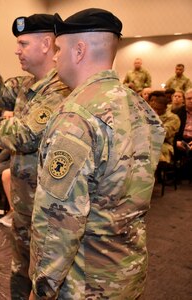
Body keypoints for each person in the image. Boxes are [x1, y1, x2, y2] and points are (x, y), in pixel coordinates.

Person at [29, 8, 165, 299]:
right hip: (126, 272)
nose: (54, 57)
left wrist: (42, 288)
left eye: (58, 48)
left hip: (84, 283)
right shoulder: (138, 106)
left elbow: (59, 221)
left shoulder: (75, 117)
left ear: (78, 51)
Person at [0, 14, 70, 299]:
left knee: (44, 276)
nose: (17, 50)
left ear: (47, 44)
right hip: (25, 202)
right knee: (21, 268)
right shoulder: (28, 85)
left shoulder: (58, 90)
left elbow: (26, 136)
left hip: (47, 208)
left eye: (23, 43)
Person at [149, 94, 180, 164]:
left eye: (159, 109)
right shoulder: (148, 115)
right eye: (154, 108)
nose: (155, 112)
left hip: (164, 144)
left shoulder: (173, 118)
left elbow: (162, 133)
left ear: (165, 108)